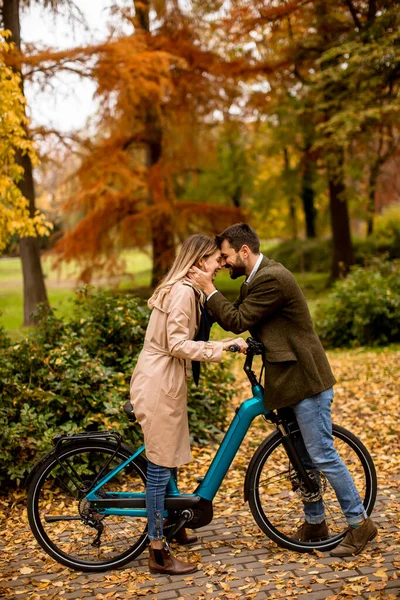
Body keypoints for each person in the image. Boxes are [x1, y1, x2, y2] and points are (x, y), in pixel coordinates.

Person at [188, 223, 378, 558]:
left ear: (244, 251)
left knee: (321, 454)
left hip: (304, 381)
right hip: (289, 381)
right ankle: (315, 522)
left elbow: (236, 318)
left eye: (227, 256)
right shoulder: (254, 278)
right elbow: (254, 322)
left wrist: (207, 288)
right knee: (302, 457)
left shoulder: (271, 278)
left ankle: (359, 524)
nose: (225, 262)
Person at [130, 234, 247, 575]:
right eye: (215, 259)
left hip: (162, 380)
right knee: (158, 469)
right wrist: (221, 348)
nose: (221, 264)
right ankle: (157, 551)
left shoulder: (187, 289)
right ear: (199, 262)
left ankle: (174, 525)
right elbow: (178, 343)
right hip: (158, 383)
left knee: (166, 461)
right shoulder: (182, 291)